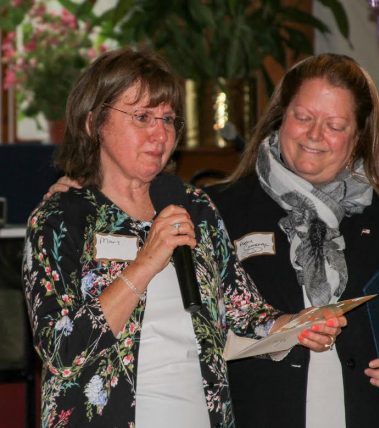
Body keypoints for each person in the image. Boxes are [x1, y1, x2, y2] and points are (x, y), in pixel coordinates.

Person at [22, 48, 346, 428]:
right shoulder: (61, 218)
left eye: (168, 119)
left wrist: (298, 325)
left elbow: (244, 313)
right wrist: (144, 264)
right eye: (142, 117)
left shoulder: (193, 206)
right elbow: (60, 349)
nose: (160, 134)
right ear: (94, 123)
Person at [204, 54, 379, 427]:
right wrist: (273, 329)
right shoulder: (219, 210)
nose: (315, 135)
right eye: (303, 117)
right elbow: (189, 330)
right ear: (281, 116)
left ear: (360, 136)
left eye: (334, 125)